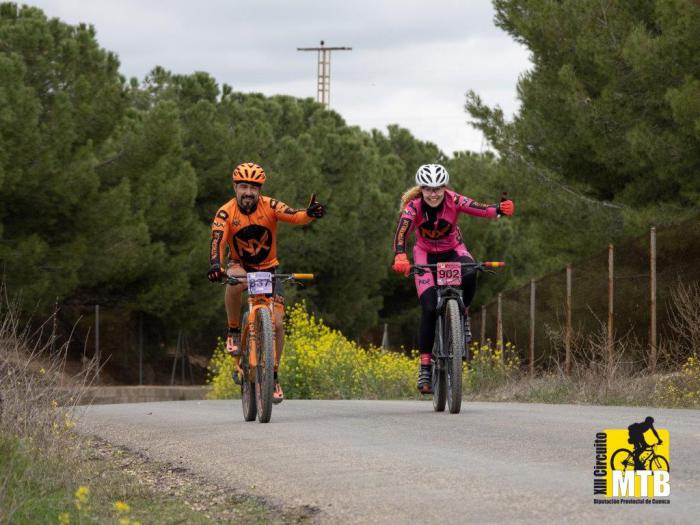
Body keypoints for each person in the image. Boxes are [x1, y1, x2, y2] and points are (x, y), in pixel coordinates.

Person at [391, 164, 514, 394]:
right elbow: (401, 233)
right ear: (422, 189)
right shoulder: (413, 208)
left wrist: (499, 209)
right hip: (425, 255)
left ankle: (463, 313)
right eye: (428, 189)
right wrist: (400, 255)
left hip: (453, 250)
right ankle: (425, 367)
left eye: (438, 188)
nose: (434, 193)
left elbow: (480, 208)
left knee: (470, 270)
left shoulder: (453, 199)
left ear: (444, 187)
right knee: (428, 308)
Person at [207, 162, 325, 403]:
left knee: (278, 324)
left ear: (259, 189)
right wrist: (215, 265)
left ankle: (272, 374)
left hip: (269, 269)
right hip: (241, 265)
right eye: (243, 186)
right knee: (233, 282)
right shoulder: (225, 213)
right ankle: (233, 330)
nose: (248, 192)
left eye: (253, 187)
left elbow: (294, 215)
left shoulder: (269, 205)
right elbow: (217, 240)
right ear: (235, 187)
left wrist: (309, 214)